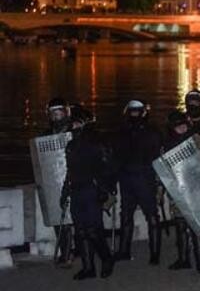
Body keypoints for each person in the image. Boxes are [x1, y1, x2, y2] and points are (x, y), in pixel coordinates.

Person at [60, 106, 116, 280]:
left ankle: (107, 259)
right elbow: (69, 171)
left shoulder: (98, 143)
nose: (74, 127)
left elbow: (108, 168)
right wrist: (65, 191)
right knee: (81, 232)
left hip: (92, 190)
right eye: (73, 124)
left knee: (93, 230)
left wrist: (105, 189)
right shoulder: (70, 145)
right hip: (76, 190)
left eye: (77, 123)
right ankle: (88, 267)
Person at [112, 100, 163, 265]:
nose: (134, 115)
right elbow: (115, 156)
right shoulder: (122, 132)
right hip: (129, 178)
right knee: (127, 215)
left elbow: (157, 154)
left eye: (137, 112)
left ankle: (154, 254)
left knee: (151, 215)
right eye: (132, 112)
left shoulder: (150, 131)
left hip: (143, 177)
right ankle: (124, 251)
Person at [162, 110, 200, 273]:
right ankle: (184, 259)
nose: (181, 129)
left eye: (183, 126)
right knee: (180, 225)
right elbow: (164, 168)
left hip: (194, 190)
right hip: (178, 191)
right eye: (178, 127)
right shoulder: (167, 144)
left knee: (196, 226)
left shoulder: (195, 140)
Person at [44, 98, 75, 267]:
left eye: (59, 113)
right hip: (55, 179)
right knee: (59, 218)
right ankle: (66, 251)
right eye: (53, 114)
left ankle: (70, 253)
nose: (56, 117)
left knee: (71, 219)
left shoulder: (75, 130)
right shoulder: (47, 134)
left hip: (73, 177)